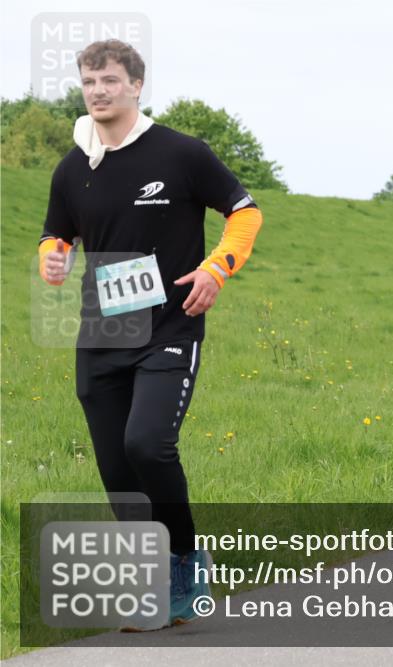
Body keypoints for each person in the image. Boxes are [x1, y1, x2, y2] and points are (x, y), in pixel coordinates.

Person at [37, 39, 263, 627]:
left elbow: (245, 211)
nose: (98, 91)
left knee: (147, 445)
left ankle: (186, 562)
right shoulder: (73, 167)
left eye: (109, 80)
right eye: (89, 82)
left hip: (170, 326)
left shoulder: (182, 154)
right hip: (101, 334)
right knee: (116, 467)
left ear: (136, 85)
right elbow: (56, 234)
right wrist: (53, 257)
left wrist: (218, 267)